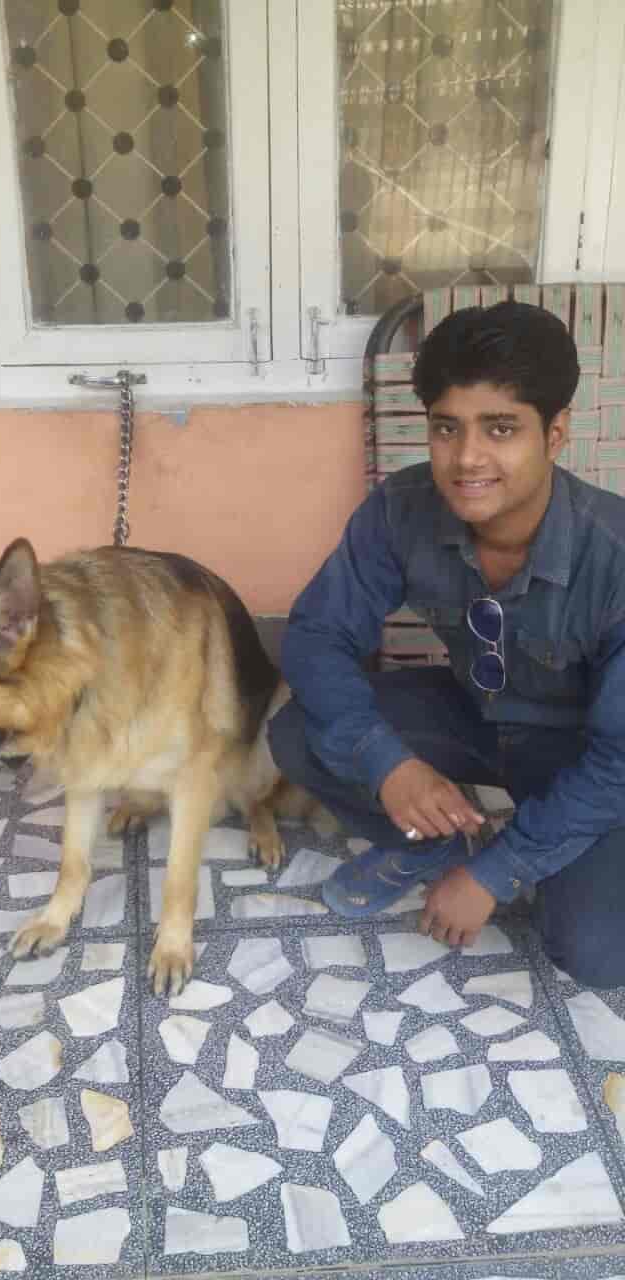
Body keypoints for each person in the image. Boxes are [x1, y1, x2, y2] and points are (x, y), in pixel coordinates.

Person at [269, 299, 625, 989]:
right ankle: (433, 843)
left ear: (555, 434)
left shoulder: (613, 555)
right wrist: (388, 764)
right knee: (297, 732)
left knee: (595, 952)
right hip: (475, 715)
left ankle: (526, 851)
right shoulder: (400, 509)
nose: (467, 459)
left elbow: (621, 760)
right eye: (446, 428)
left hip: (583, 753)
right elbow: (317, 635)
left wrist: (499, 871)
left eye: (501, 428)